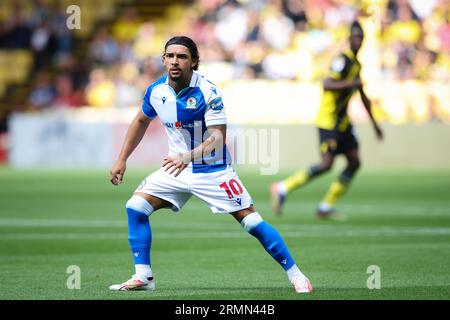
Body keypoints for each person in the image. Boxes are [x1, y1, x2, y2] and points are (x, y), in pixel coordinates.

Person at [108, 36, 313, 293]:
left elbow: (217, 138)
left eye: (181, 57)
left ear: (194, 62)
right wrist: (121, 159)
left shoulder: (208, 92)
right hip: (176, 169)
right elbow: (140, 121)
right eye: (170, 56)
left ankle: (296, 275)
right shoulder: (156, 91)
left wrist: (187, 156)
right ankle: (144, 276)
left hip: (212, 170)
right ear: (163, 60)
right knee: (136, 207)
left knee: (251, 222)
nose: (175, 61)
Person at [271, 21, 383, 218]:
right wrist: (352, 82)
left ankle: (325, 206)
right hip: (328, 121)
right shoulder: (342, 60)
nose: (357, 41)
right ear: (349, 39)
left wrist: (375, 124)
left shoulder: (357, 65)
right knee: (326, 164)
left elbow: (362, 95)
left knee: (355, 161)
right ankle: (283, 187)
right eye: (355, 37)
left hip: (343, 123)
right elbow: (327, 84)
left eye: (360, 38)